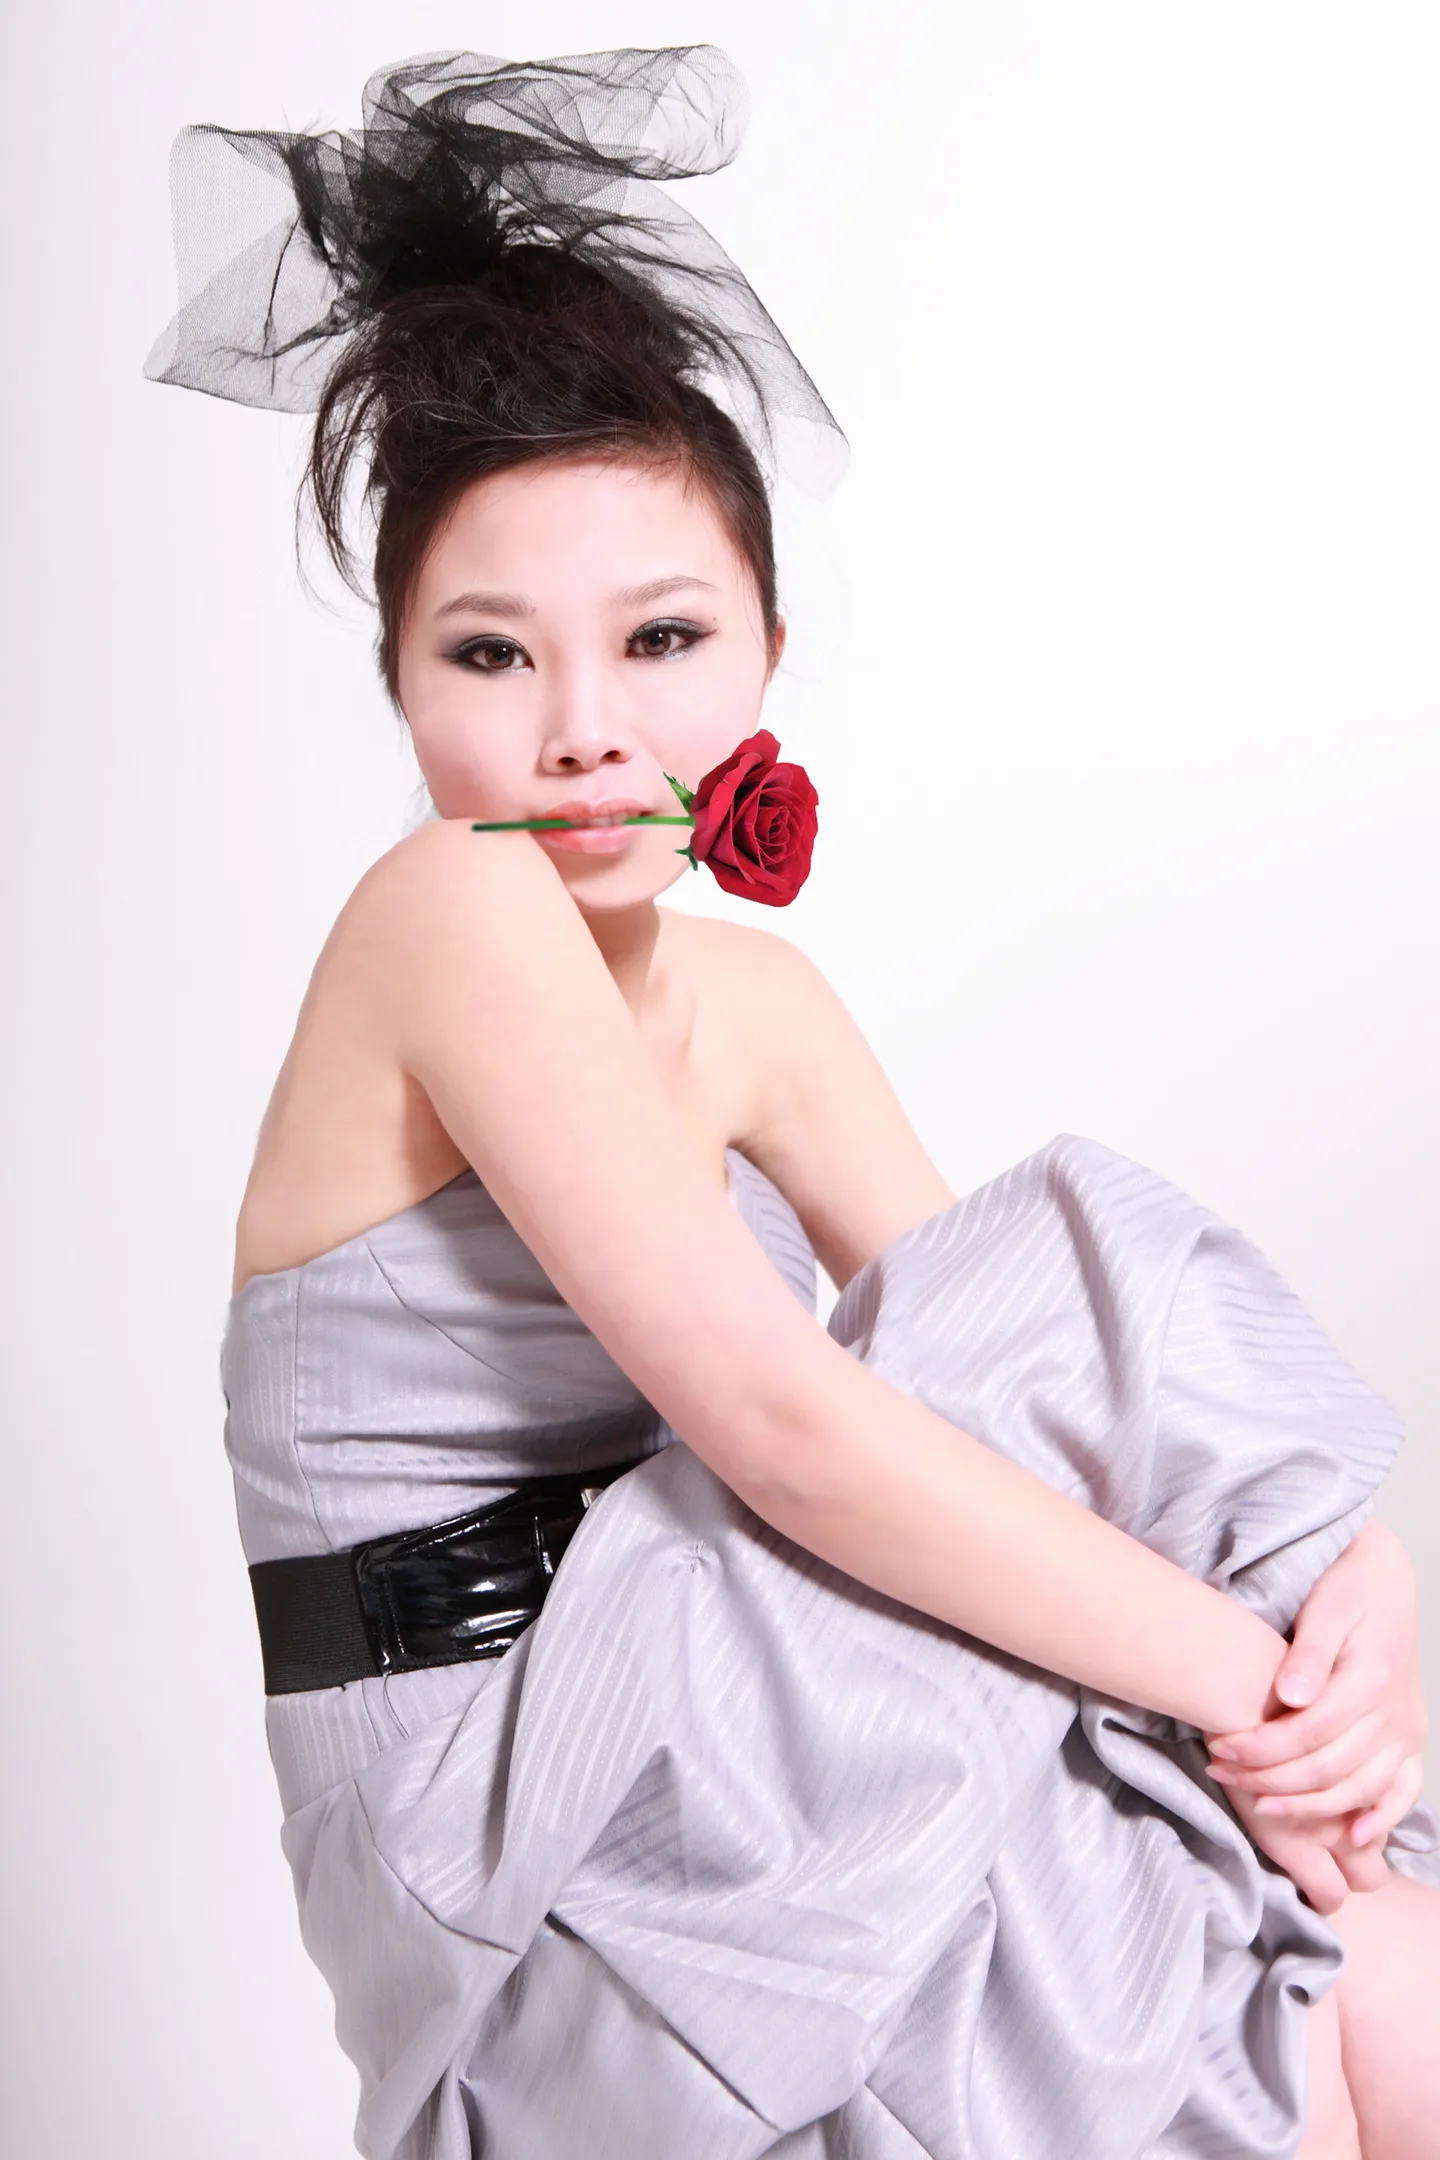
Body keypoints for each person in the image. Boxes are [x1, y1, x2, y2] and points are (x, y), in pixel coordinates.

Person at [147, 45, 1439, 2160]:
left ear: (765, 650)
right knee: (1077, 1279)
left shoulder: (758, 1006)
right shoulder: (446, 912)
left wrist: (1350, 1595)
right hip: (517, 1816)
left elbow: (1051, 1395)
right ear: (400, 683)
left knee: (1362, 1974)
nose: (584, 731)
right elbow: (796, 1433)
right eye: (491, 656)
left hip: (766, 1728)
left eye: (660, 639)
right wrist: (1240, 1674)